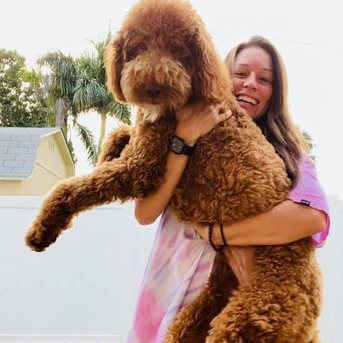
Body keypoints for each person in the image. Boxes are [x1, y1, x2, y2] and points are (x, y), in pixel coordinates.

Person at [126, 36, 330, 343]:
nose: (250, 84)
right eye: (241, 73)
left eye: (264, 79)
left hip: (228, 304)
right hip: (166, 290)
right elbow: (145, 211)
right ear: (221, 76)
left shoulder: (288, 153)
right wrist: (185, 139)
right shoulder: (177, 129)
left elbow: (311, 217)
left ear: (274, 93)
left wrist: (218, 235)